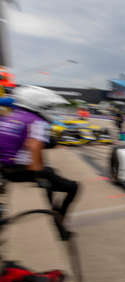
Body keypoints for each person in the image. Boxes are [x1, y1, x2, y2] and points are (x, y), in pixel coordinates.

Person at [0, 85, 79, 239]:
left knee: (50, 175)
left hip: (5, 169)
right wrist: (38, 176)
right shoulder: (37, 121)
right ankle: (60, 221)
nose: (49, 109)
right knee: (73, 187)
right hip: (21, 172)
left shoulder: (10, 117)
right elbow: (34, 149)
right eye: (48, 106)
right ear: (37, 104)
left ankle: (56, 219)